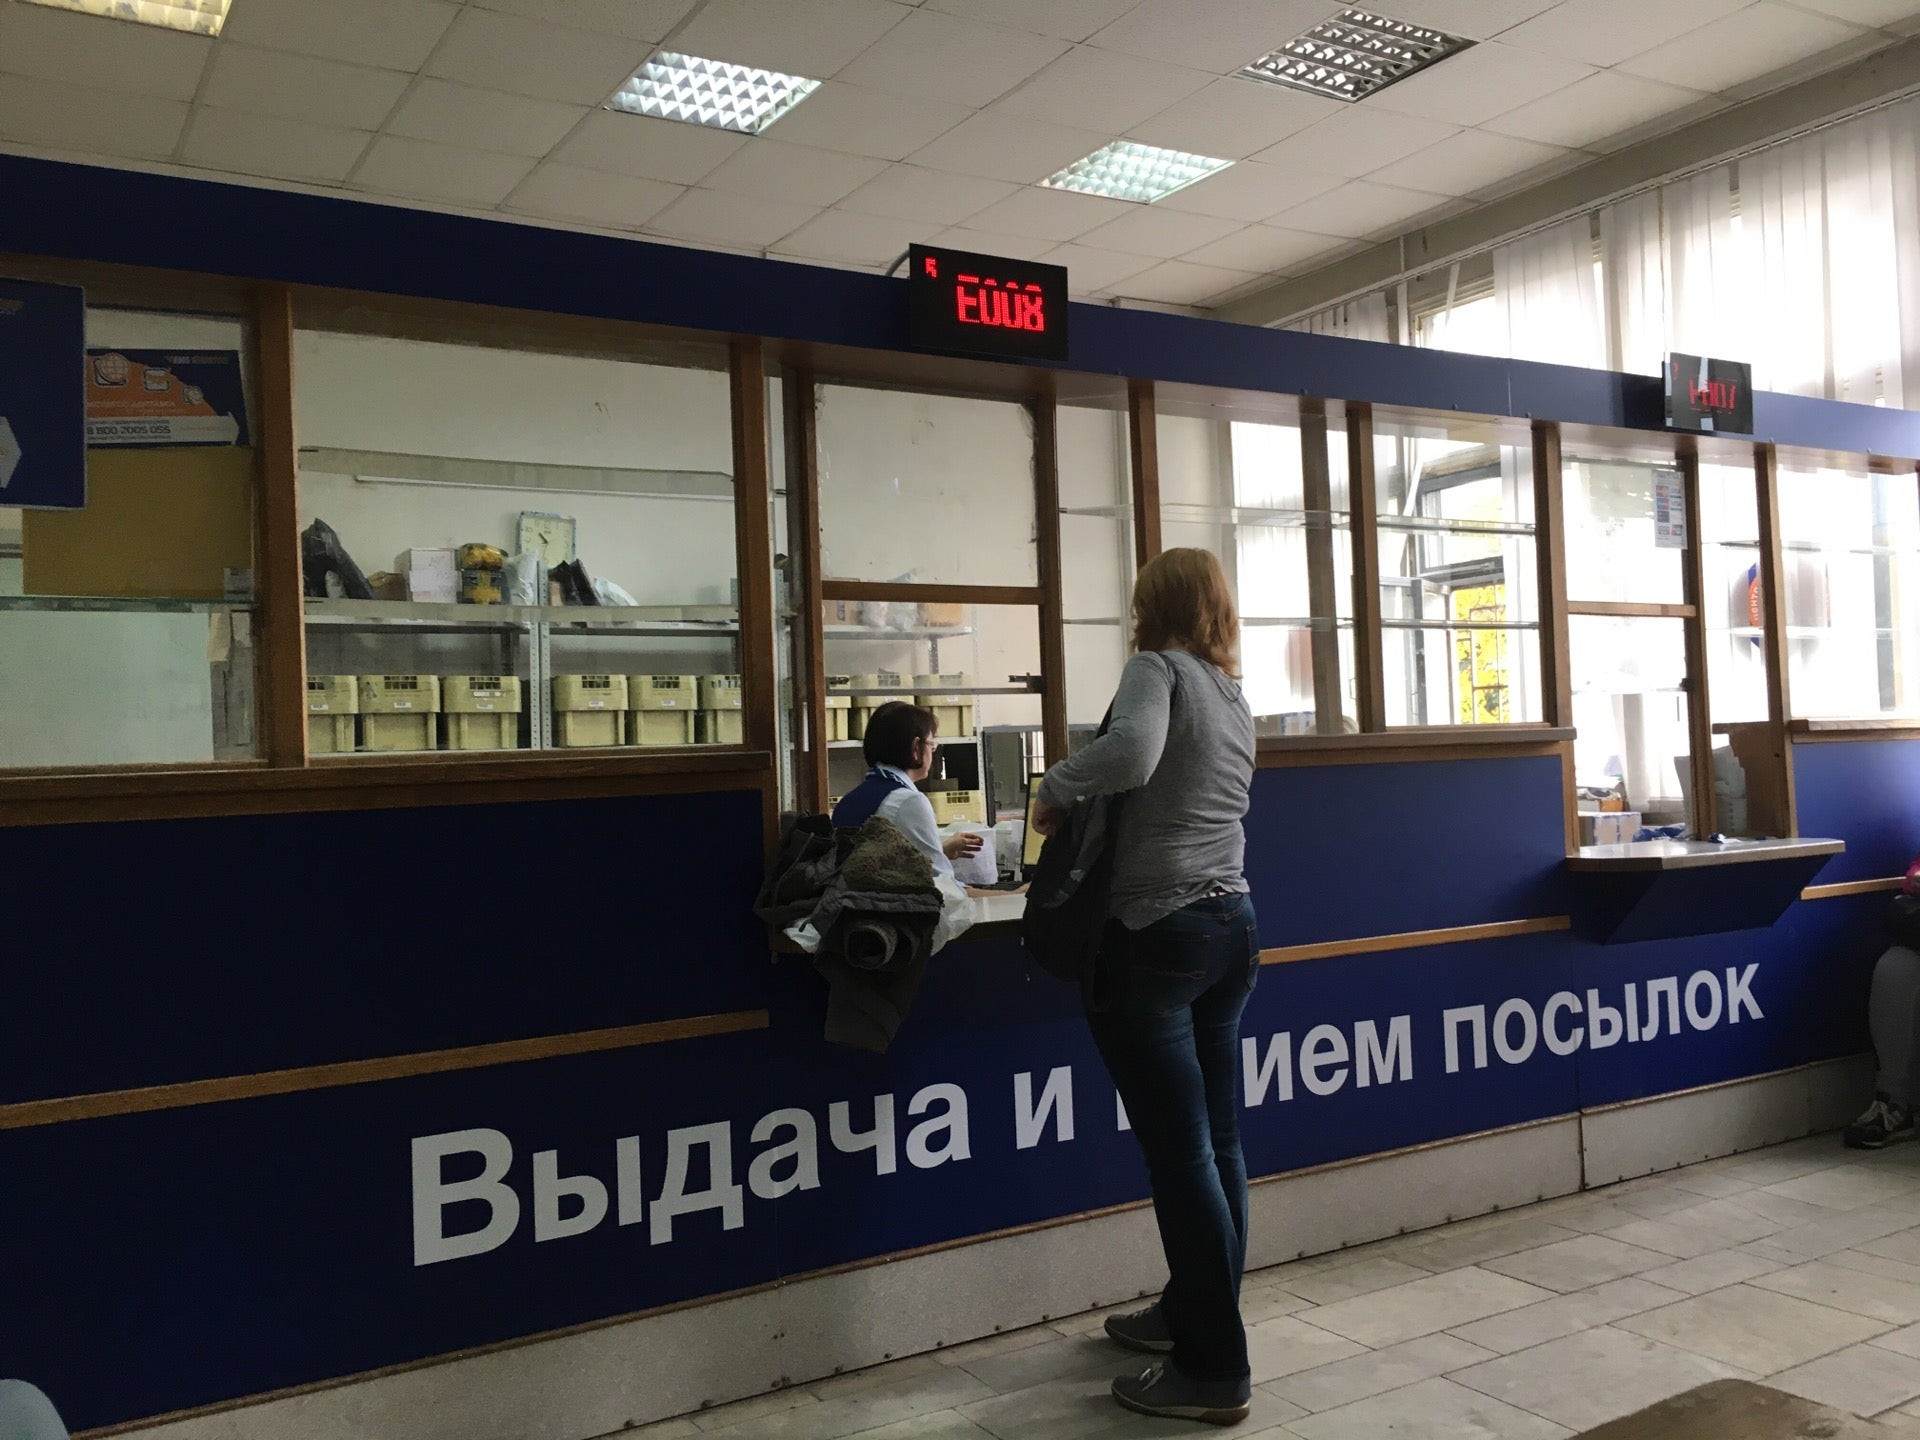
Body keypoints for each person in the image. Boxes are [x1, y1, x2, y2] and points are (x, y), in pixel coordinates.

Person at [1032, 548, 1258, 1427]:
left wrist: (1055, 785)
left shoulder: (1156, 670)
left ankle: (1213, 1366)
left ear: (1150, 606)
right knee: (1219, 1143)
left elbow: (1131, 754)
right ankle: (1193, 1312)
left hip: (1159, 934)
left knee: (1183, 1155)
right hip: (1232, 928)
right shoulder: (1231, 693)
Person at [831, 701, 983, 879]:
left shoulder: (850, 800)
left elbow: (880, 866)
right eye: (932, 745)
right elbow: (940, 883)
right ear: (916, 748)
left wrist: (941, 851)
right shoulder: (908, 802)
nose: (932, 753)